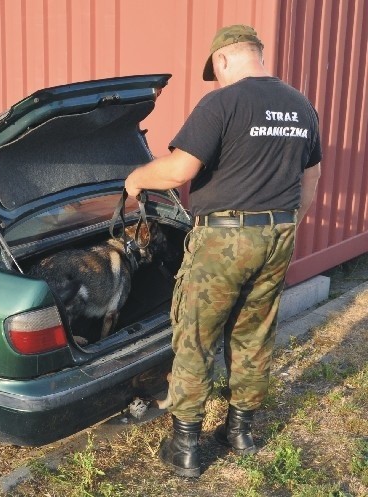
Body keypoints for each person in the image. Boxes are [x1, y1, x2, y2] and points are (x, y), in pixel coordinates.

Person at [124, 24, 322, 478]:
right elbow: (309, 179)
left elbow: (180, 170)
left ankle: (186, 447)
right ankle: (239, 431)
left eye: (214, 70)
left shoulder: (222, 102)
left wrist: (136, 178)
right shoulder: (301, 106)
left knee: (196, 335)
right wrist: (286, 227)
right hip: (279, 234)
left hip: (224, 240)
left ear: (223, 60)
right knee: (253, 335)